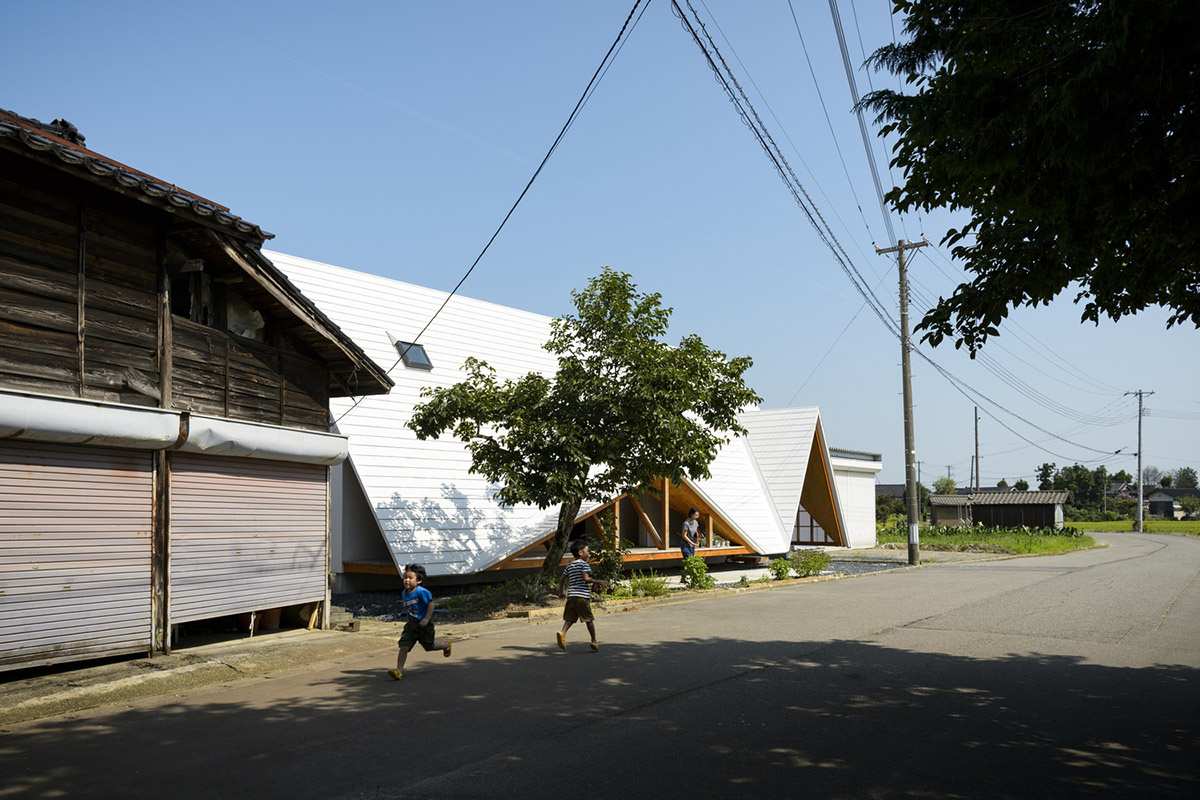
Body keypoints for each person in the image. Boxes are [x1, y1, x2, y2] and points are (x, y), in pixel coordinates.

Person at [388, 563, 451, 680]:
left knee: (429, 646)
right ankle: (399, 670)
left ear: (419, 580)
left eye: (410, 578)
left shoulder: (422, 592)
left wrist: (426, 619)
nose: (406, 580)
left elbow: (431, 604)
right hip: (411, 625)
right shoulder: (404, 593)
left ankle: (445, 645)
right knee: (404, 646)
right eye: (405, 577)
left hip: (424, 625)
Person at [557, 540, 608, 651]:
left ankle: (563, 633)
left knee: (570, 618)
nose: (588, 554)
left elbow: (562, 579)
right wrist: (599, 581)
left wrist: (561, 592)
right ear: (581, 552)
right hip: (581, 597)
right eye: (587, 551)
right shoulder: (584, 564)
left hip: (571, 596)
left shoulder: (570, 565)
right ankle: (594, 640)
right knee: (588, 619)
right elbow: (586, 578)